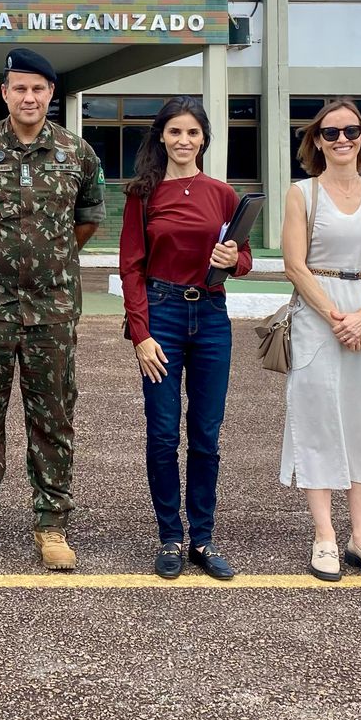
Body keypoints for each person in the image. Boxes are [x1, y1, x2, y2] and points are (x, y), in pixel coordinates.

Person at [0, 48, 105, 570]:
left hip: (53, 307)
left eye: (38, 88)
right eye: (19, 88)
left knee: (53, 415)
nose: (29, 97)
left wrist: (48, 261)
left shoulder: (78, 153)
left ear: (51, 94)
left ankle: (51, 525)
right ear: (4, 92)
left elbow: (87, 219)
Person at [280, 98, 361, 584]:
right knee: (316, 421)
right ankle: (324, 538)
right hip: (319, 315)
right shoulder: (302, 194)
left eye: (350, 132)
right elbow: (295, 265)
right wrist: (338, 317)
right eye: (330, 133)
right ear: (317, 140)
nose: (341, 141)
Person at [118, 96, 250, 581]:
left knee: (206, 435)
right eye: (175, 131)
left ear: (203, 139)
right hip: (164, 317)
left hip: (212, 317)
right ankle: (169, 536)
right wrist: (141, 333)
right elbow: (130, 266)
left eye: (192, 132)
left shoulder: (223, 194)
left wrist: (232, 261)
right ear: (161, 138)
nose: (183, 140)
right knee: (162, 432)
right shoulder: (142, 194)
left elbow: (245, 256)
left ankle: (202, 538)